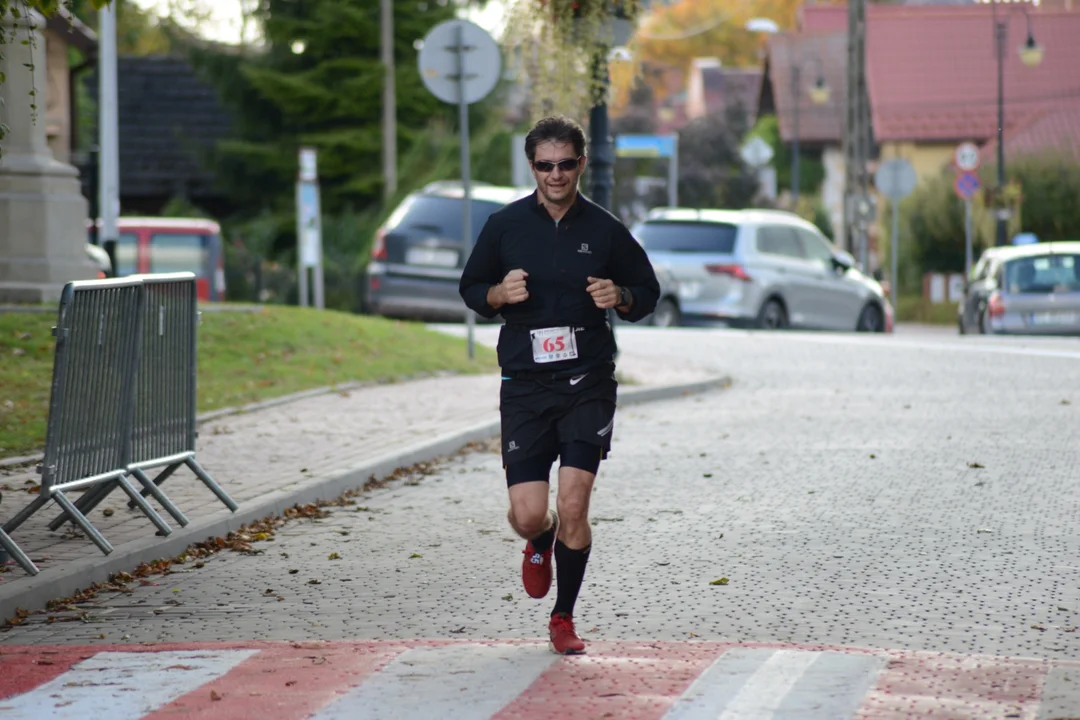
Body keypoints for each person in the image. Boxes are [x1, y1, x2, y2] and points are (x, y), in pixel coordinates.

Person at [459, 115, 661, 655]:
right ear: (532, 167)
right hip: (524, 383)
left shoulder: (604, 229)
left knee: (574, 505)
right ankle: (538, 541)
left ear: (581, 164)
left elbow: (648, 291)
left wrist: (619, 295)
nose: (555, 174)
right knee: (529, 513)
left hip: (587, 381)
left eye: (565, 164)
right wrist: (498, 295)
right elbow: (471, 287)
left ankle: (564, 617)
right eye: (545, 165)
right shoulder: (505, 226)